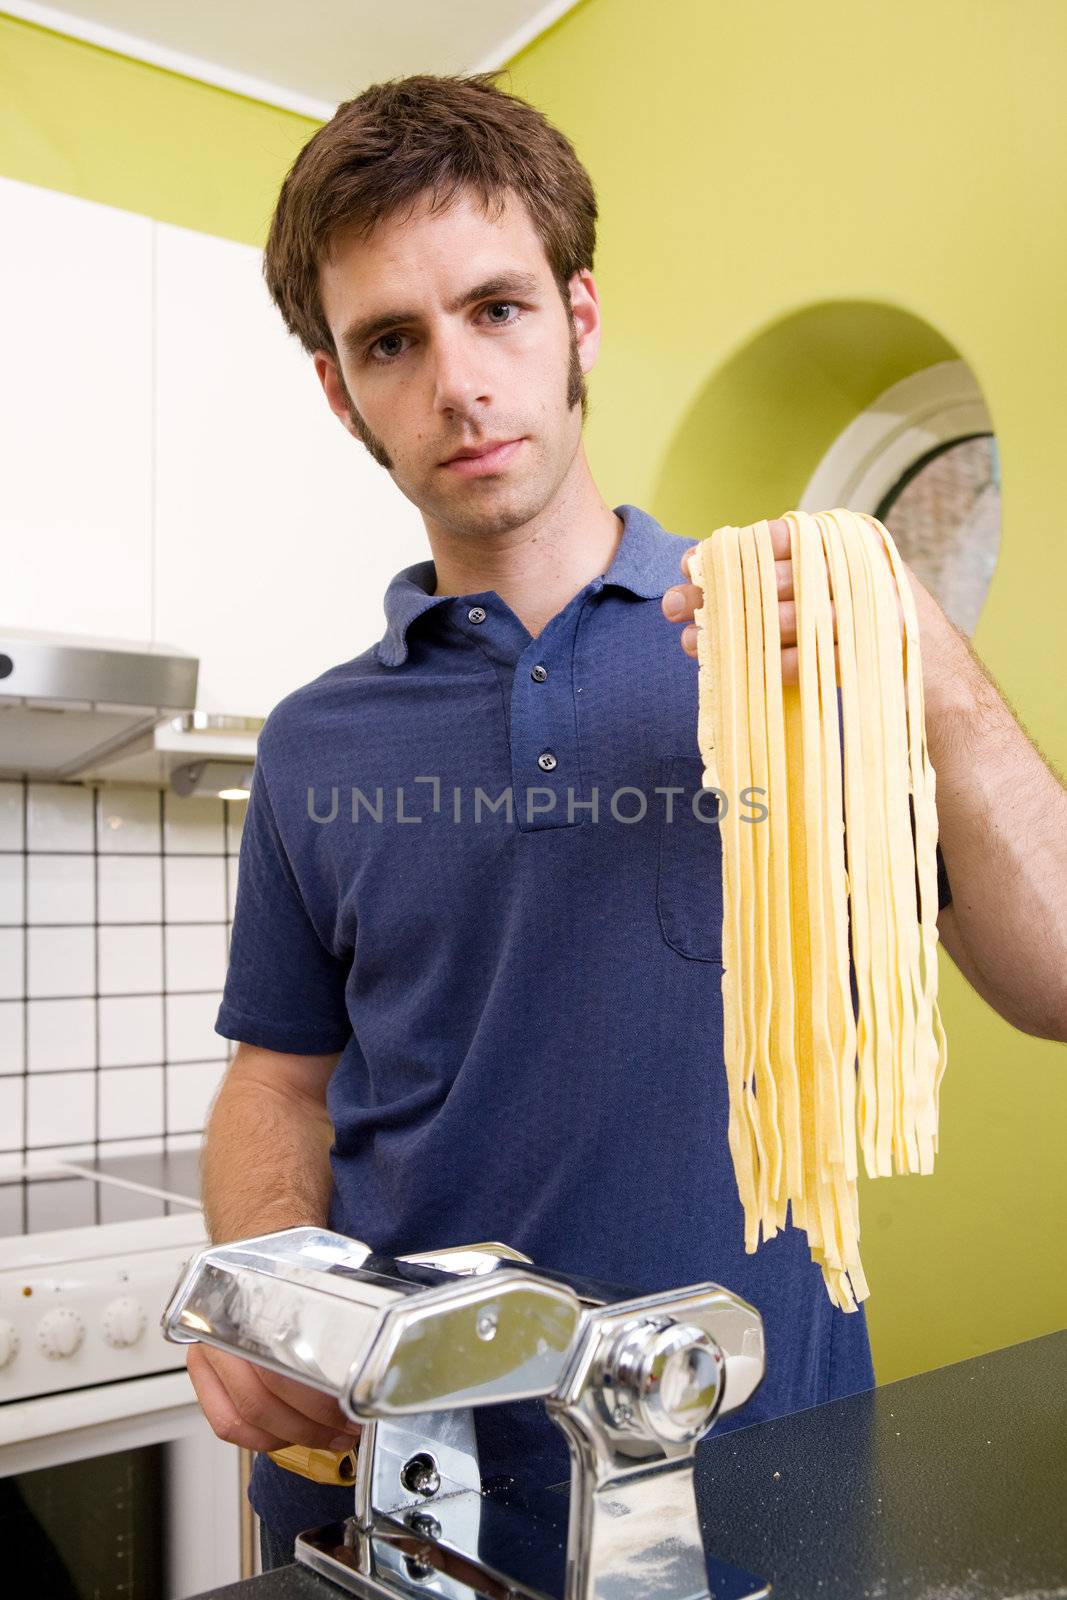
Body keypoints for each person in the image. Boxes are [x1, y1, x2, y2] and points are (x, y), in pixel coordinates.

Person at [186, 71, 1067, 1572]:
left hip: (751, 1483)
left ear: (579, 317)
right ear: (341, 391)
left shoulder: (792, 655)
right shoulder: (318, 743)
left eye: (497, 309)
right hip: (399, 1491)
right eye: (390, 341)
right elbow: (281, 1080)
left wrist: (929, 670)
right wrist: (267, 1279)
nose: (457, 382)